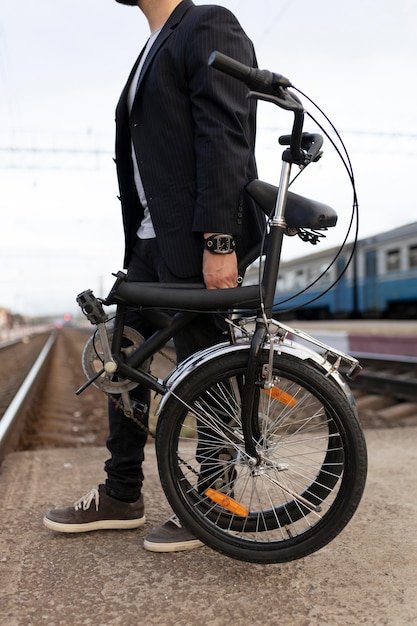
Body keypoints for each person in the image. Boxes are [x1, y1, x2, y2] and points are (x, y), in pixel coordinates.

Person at [43, 0, 264, 552]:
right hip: (147, 241)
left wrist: (218, 240)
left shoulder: (207, 23)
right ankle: (122, 495)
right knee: (125, 358)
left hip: (192, 240)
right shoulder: (152, 45)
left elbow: (227, 135)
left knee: (204, 362)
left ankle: (213, 502)